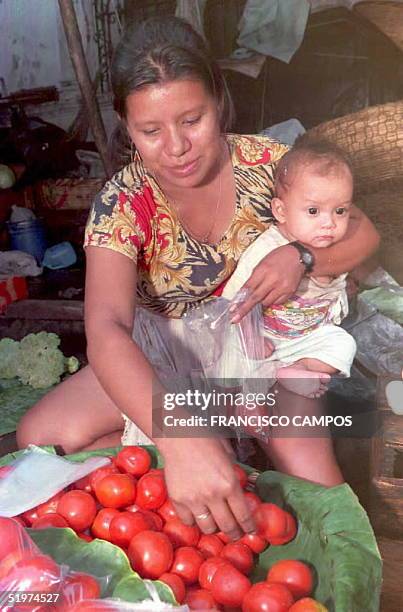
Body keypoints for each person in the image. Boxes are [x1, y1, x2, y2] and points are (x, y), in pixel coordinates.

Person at [16, 16, 379, 540]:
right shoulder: (124, 201)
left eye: (192, 120)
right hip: (169, 353)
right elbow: (106, 327)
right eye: (150, 131)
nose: (177, 147)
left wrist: (302, 256)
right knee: (44, 437)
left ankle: (224, 452)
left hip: (263, 352)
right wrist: (180, 438)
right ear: (125, 123)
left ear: (219, 101)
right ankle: (203, 454)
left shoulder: (270, 166)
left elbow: (363, 233)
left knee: (320, 500)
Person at [220, 136, 357, 399]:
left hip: (306, 339)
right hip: (264, 337)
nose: (329, 223)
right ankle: (251, 395)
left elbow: (336, 290)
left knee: (343, 343)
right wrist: (248, 338)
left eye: (340, 211)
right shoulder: (268, 248)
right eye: (314, 211)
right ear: (281, 211)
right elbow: (236, 297)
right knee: (229, 359)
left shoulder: (336, 246)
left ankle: (297, 369)